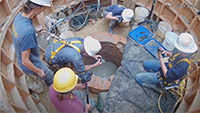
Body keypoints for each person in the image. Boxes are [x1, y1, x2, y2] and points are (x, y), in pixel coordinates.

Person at [12, 0, 54, 86]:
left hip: (22, 58)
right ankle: (55, 89)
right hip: (30, 63)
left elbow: (22, 33)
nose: (43, 10)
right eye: (43, 8)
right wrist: (39, 71)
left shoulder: (19, 17)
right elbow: (25, 61)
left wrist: (36, 30)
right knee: (49, 75)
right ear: (38, 8)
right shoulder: (28, 32)